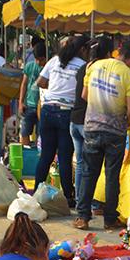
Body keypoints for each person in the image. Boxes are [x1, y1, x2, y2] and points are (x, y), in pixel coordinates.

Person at [75, 37, 130, 231]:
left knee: (88, 173)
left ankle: (82, 217)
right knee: (112, 176)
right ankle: (109, 219)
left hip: (92, 128)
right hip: (115, 132)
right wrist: (127, 121)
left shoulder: (94, 66)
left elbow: (84, 96)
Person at [35, 35, 86, 203]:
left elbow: (40, 82)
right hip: (66, 112)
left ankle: (37, 192)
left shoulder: (54, 60)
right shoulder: (82, 66)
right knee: (65, 156)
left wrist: (56, 87)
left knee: (46, 155)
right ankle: (68, 197)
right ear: (82, 50)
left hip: (48, 110)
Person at [69, 36, 107, 218]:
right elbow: (87, 95)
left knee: (82, 163)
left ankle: (80, 200)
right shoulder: (98, 70)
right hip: (86, 122)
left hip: (74, 119)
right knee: (91, 166)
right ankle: (90, 203)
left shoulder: (83, 68)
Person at [18, 41, 45, 148]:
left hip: (42, 108)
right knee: (24, 132)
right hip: (29, 105)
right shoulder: (29, 66)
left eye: (41, 59)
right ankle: (25, 153)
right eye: (36, 59)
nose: (38, 62)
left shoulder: (48, 68)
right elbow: (24, 84)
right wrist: (20, 102)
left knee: (41, 134)